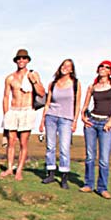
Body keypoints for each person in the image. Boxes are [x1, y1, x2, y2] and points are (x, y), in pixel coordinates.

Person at [80, 60, 111, 198]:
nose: (103, 69)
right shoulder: (93, 86)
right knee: (89, 156)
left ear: (110, 71)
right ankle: (88, 184)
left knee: (104, 159)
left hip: (106, 123)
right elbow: (85, 105)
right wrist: (84, 117)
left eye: (107, 67)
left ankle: (102, 188)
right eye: (101, 66)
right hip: (92, 122)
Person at [0, 49, 43, 180]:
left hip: (27, 110)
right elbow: (6, 96)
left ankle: (19, 170)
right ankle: (9, 168)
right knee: (11, 141)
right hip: (13, 110)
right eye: (19, 59)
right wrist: (6, 114)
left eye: (24, 58)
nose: (21, 61)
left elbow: (41, 93)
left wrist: (34, 81)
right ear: (16, 61)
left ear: (28, 60)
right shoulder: (10, 78)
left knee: (23, 142)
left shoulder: (33, 75)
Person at [37, 58, 80, 189]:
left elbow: (77, 104)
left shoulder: (75, 84)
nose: (65, 67)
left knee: (64, 148)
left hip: (66, 119)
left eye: (68, 66)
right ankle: (50, 174)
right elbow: (47, 102)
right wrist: (42, 120)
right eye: (63, 65)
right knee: (50, 146)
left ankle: (64, 177)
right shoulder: (53, 83)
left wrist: (75, 121)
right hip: (51, 116)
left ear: (71, 70)